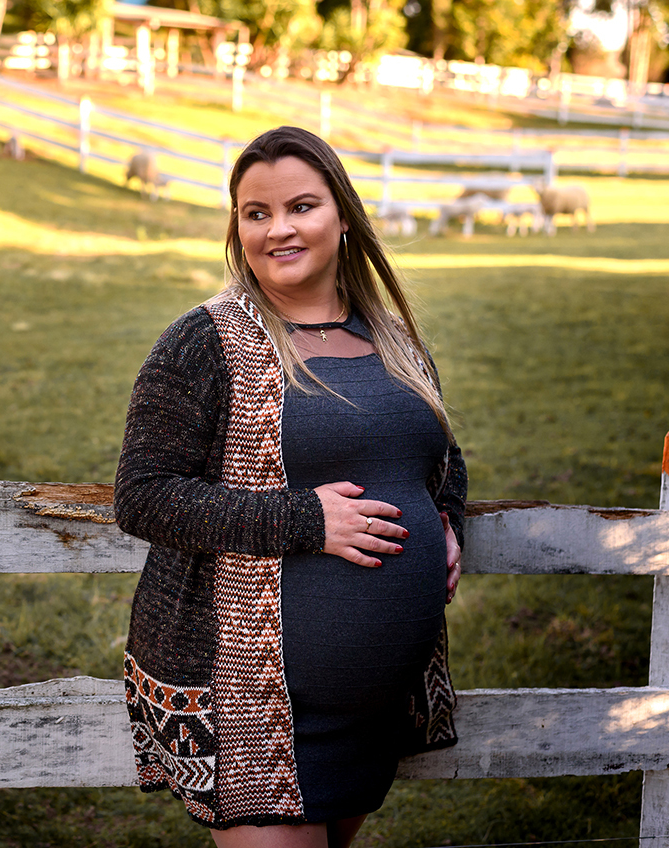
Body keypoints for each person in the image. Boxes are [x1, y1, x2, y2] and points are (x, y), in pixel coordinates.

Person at [114, 126, 467, 848]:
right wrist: (306, 521)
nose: (277, 229)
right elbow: (143, 493)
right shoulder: (204, 341)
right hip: (248, 702)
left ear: (342, 214)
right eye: (255, 213)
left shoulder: (394, 339)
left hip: (370, 708)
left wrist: (446, 517)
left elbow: (439, 453)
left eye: (300, 206)